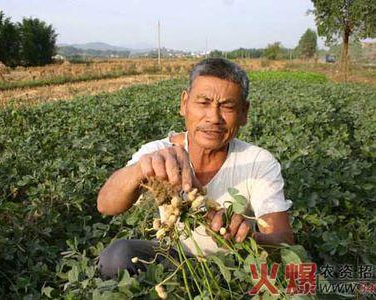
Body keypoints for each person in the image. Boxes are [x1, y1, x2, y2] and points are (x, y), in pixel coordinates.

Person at [96, 58, 294, 279]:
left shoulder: (259, 162)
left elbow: (283, 240)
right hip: (171, 261)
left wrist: (247, 239)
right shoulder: (158, 151)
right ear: (184, 104)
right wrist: (140, 170)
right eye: (203, 103)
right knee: (117, 255)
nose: (213, 118)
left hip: (232, 268)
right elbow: (105, 204)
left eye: (227, 107)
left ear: (244, 113)